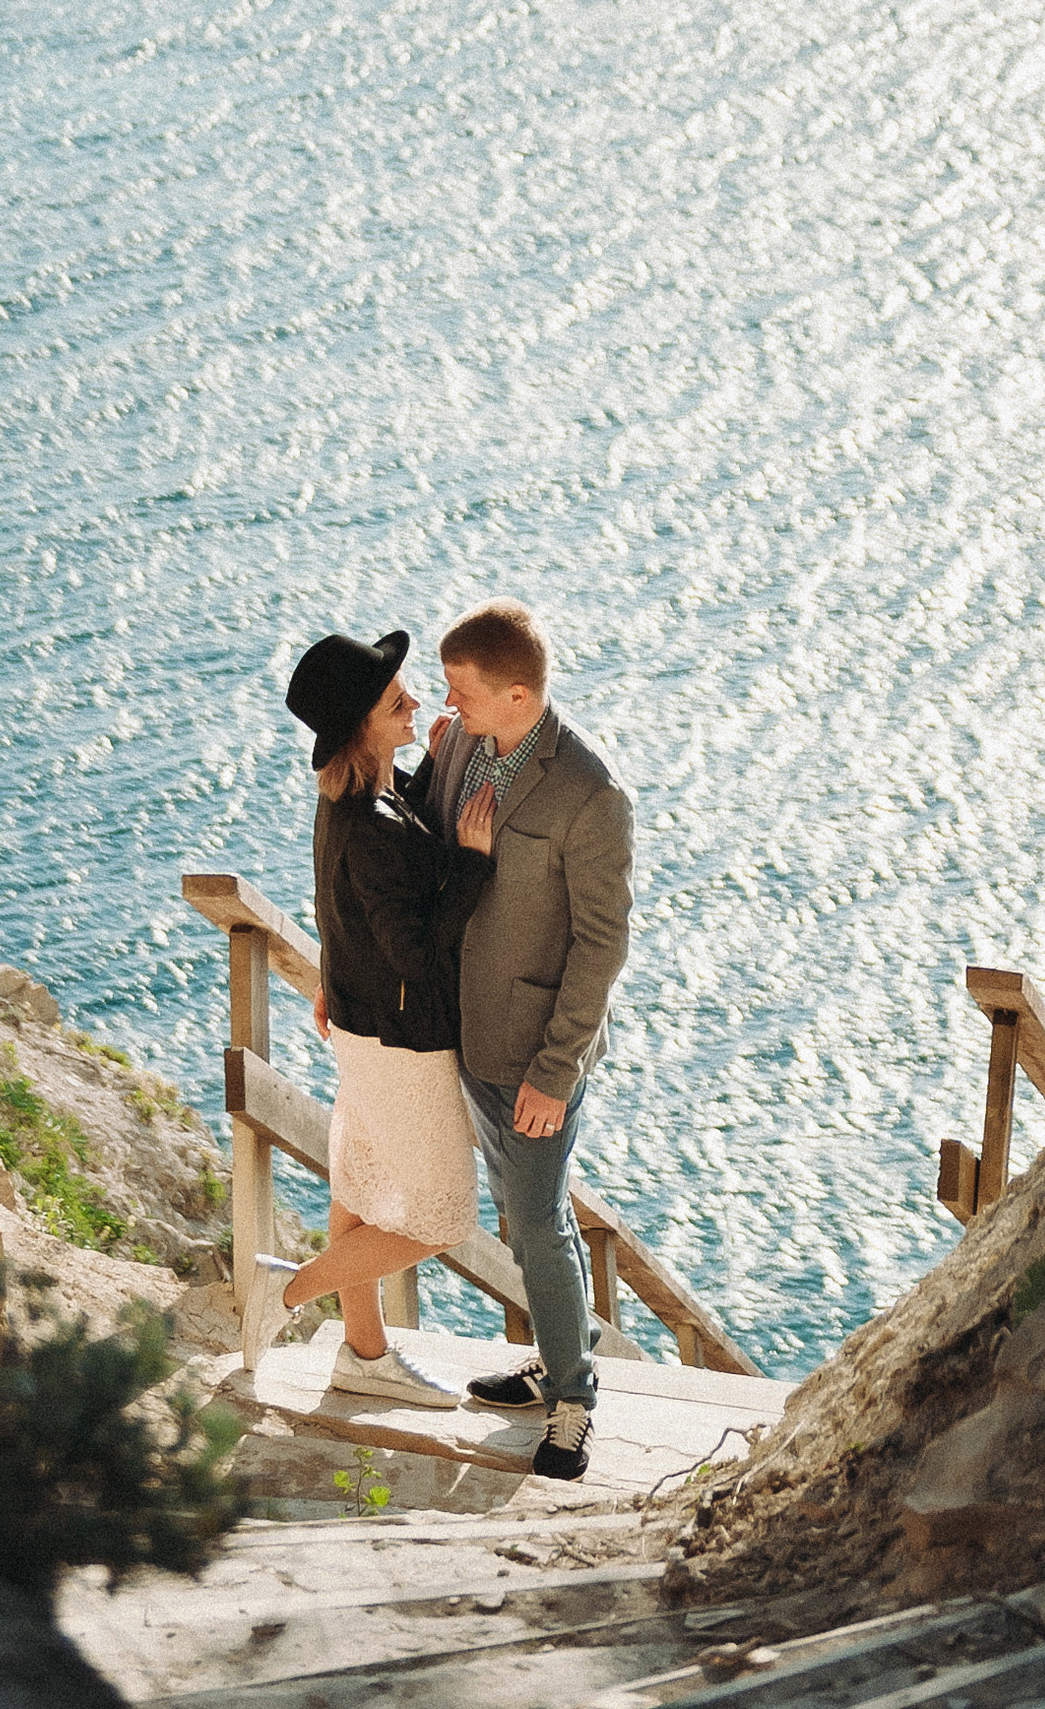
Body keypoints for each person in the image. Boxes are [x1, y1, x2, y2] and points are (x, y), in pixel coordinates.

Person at [237, 625, 497, 1407]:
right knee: (443, 1220)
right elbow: (415, 951)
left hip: (361, 1024)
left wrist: (436, 764)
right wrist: (473, 866)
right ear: (361, 729)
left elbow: (352, 894)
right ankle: (287, 1292)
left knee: (360, 1184)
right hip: (399, 1044)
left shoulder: (353, 800)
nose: (415, 705)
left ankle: (365, 1353)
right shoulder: (372, 825)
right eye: (397, 704)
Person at [424, 598, 632, 1485]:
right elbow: (433, 845)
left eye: (462, 691)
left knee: (539, 1223)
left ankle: (574, 1398)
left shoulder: (591, 794)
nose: (449, 703)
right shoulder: (463, 746)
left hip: (538, 1054)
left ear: (519, 694)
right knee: (523, 1212)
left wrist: (556, 1070)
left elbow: (602, 945)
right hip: (468, 1034)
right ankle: (559, 1350)